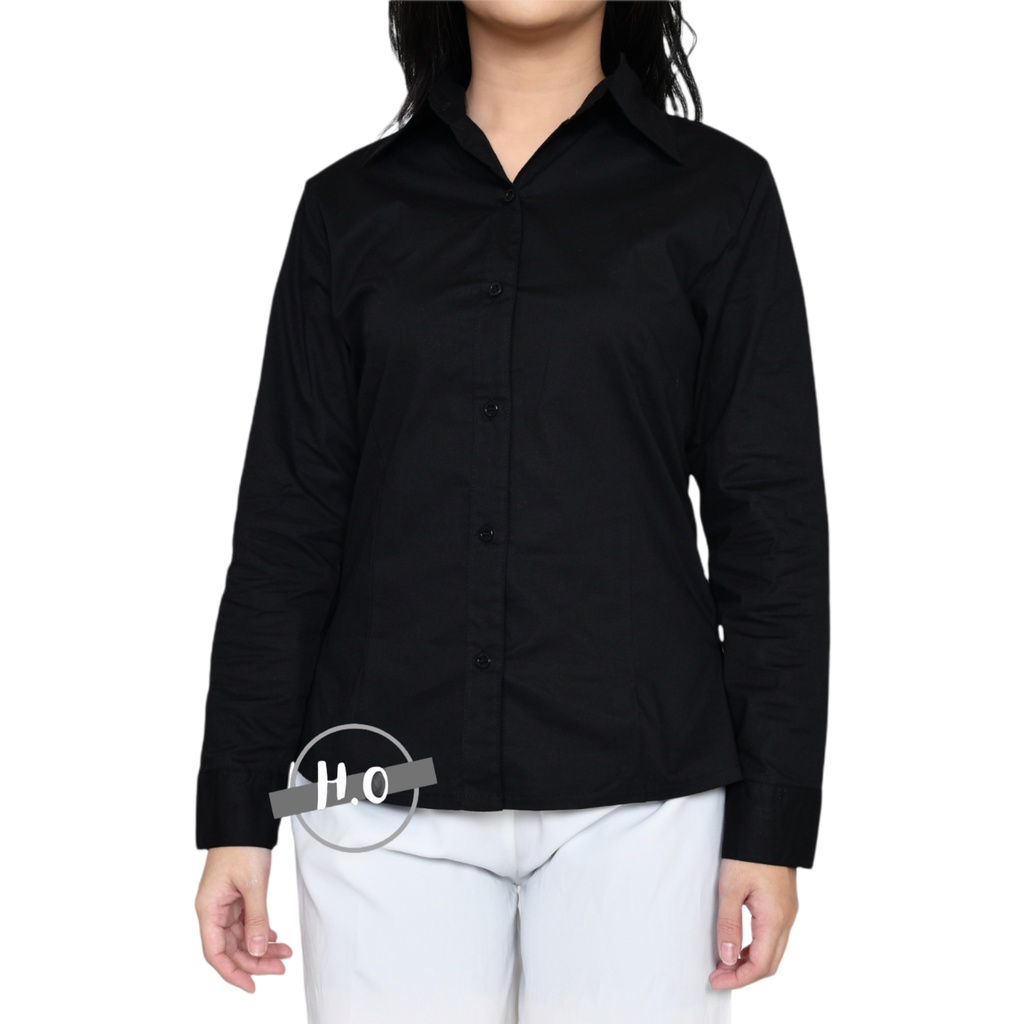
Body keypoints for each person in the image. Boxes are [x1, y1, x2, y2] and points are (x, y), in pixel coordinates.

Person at [194, 2, 830, 1022]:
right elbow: (286, 529)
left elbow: (773, 531)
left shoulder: (719, 197)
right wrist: (239, 811)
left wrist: (772, 822)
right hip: (373, 789)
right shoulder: (347, 209)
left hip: (647, 793)